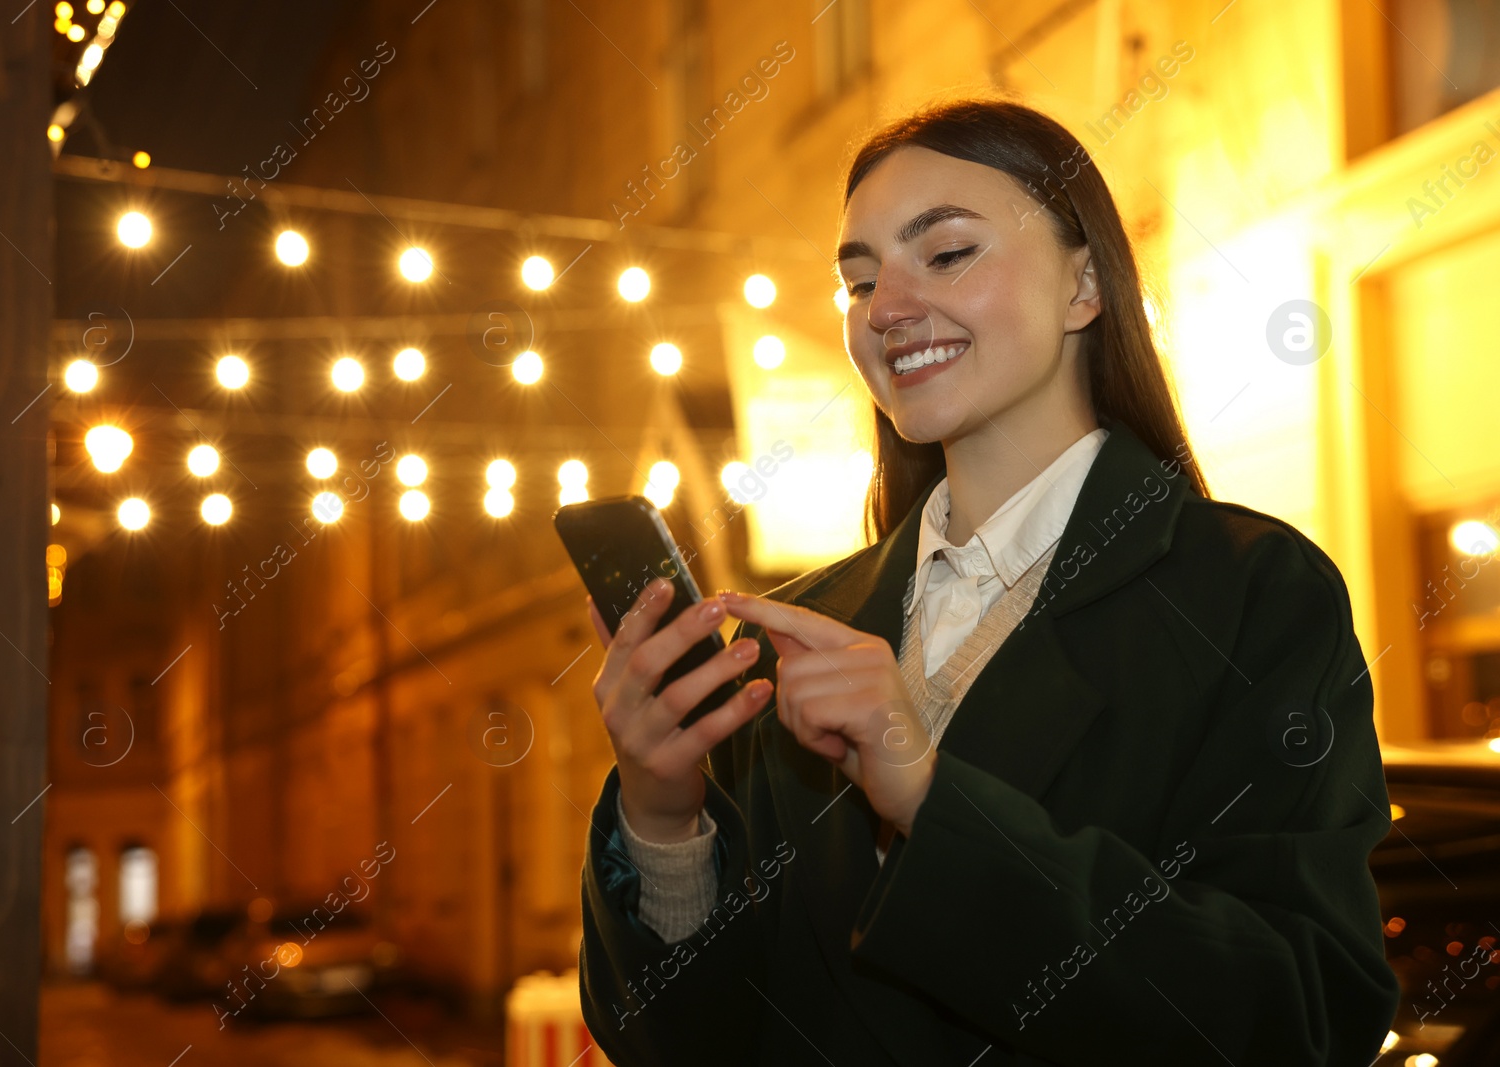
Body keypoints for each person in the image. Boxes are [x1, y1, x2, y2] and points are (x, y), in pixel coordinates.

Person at [575, 99, 1401, 1066]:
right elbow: (693, 1044)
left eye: (949, 252)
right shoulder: (800, 628)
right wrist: (664, 816)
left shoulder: (1252, 593)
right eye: (859, 279)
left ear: (1084, 283)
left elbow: (1298, 1015)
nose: (883, 308)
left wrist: (931, 797)